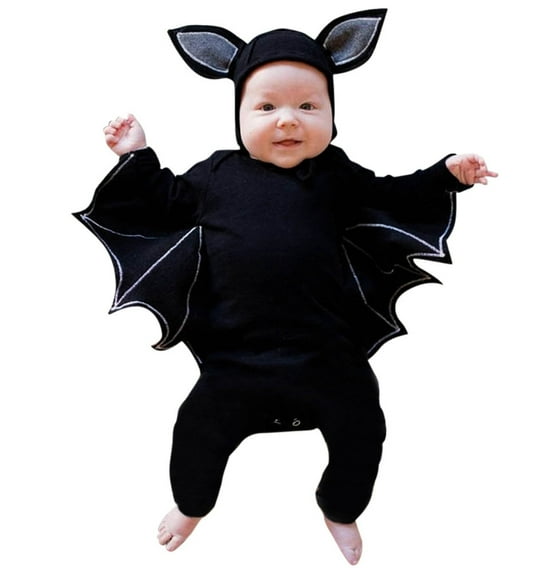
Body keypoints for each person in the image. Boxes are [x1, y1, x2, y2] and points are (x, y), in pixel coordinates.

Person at [76, 10, 497, 566]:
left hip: (330, 356)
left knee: (364, 429)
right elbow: (160, 200)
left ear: (332, 113)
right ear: (238, 113)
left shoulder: (335, 174)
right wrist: (137, 155)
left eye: (308, 106)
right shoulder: (215, 175)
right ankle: (192, 505)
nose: (287, 121)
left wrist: (445, 175)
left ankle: (339, 508)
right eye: (266, 107)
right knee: (196, 433)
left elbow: (393, 195)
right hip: (234, 361)